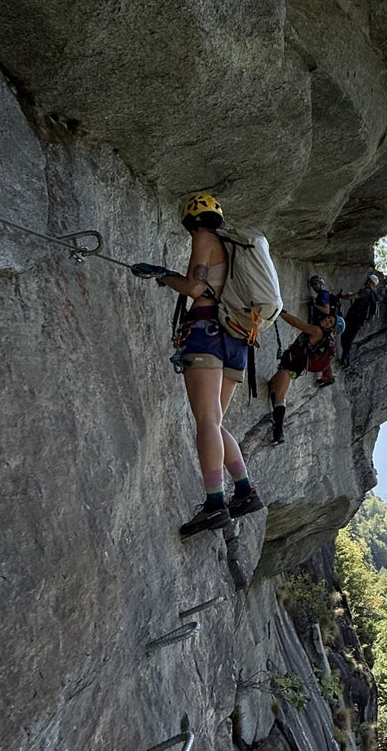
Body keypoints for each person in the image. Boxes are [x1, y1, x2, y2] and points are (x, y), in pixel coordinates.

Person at [131, 193, 263, 539]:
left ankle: (215, 503)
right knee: (215, 423)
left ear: (191, 219)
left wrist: (163, 275)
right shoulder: (235, 250)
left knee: (206, 421)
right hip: (237, 342)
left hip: (207, 335)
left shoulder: (204, 238)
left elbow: (195, 287)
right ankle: (245, 491)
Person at [268, 310, 345, 443]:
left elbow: (296, 323)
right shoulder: (324, 337)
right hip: (295, 364)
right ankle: (277, 427)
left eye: (330, 322)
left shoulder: (317, 331)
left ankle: (278, 432)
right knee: (272, 387)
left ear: (332, 329)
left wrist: (279, 312)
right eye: (329, 318)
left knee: (279, 397)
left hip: (292, 364)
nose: (326, 320)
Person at [339, 273, 381, 367]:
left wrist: (340, 296)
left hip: (353, 317)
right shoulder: (372, 295)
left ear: (373, 284)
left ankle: (345, 361)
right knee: (348, 339)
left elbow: (350, 297)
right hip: (359, 320)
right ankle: (345, 361)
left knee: (345, 337)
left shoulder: (366, 291)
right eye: (368, 280)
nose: (368, 282)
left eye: (370, 281)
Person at [307, 275, 337, 387]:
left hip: (323, 326)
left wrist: (314, 305)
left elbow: (326, 310)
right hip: (323, 326)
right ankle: (327, 375)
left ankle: (327, 375)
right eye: (312, 284)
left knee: (321, 351)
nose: (314, 286)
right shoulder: (322, 294)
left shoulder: (323, 294)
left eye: (316, 284)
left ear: (321, 284)